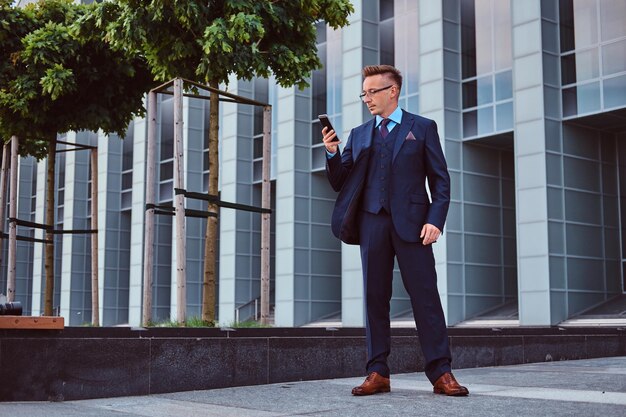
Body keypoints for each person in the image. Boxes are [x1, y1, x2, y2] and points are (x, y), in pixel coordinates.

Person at [323, 65, 468, 397]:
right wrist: (332, 154)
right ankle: (377, 371)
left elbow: (441, 180)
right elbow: (340, 182)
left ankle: (441, 372)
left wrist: (435, 219)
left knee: (426, 298)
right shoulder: (359, 134)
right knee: (375, 298)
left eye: (372, 92)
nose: (367, 99)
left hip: (414, 225)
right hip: (371, 221)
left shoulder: (423, 127)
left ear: (393, 91)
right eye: (364, 93)